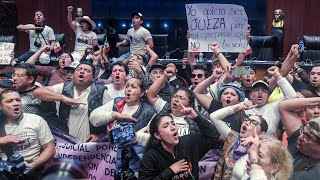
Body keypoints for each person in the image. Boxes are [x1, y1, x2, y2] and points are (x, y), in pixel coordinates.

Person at [33, 61, 112, 142]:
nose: (82, 71)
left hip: (90, 143)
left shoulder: (101, 91)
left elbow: (112, 117)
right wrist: (62, 98)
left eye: (87, 70)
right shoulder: (65, 87)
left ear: (93, 77)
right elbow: (37, 92)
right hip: (67, 141)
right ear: (74, 74)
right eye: (79, 69)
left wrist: (101, 134)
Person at [138, 110, 219, 180]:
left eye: (173, 123)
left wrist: (197, 118)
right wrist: (170, 171)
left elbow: (214, 137)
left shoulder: (188, 142)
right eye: (166, 126)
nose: (173, 127)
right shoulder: (151, 157)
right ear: (157, 135)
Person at [209, 101, 268, 179]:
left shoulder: (262, 153)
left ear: (262, 134)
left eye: (253, 122)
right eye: (246, 119)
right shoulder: (233, 138)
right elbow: (214, 117)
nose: (246, 122)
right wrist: (240, 106)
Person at [0, 89, 55, 169]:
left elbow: (50, 149)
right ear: (1, 106)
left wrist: (31, 166)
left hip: (32, 168)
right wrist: (2, 140)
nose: (15, 103)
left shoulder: (36, 120)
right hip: (5, 170)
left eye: (18, 100)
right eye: (9, 101)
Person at [147, 67, 204, 136]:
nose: (176, 100)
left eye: (181, 98)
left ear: (190, 104)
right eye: (175, 96)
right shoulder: (165, 107)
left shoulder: (197, 118)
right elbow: (151, 95)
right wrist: (165, 76)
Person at [90, 78, 156, 131]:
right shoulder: (116, 102)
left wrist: (133, 136)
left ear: (142, 93)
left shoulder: (149, 112)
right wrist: (115, 115)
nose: (129, 89)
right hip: (113, 146)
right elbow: (93, 117)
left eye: (133, 87)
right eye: (127, 87)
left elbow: (151, 137)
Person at [279, 97, 320, 179]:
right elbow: (283, 107)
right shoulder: (298, 142)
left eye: (308, 137)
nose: (300, 137)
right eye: (303, 131)